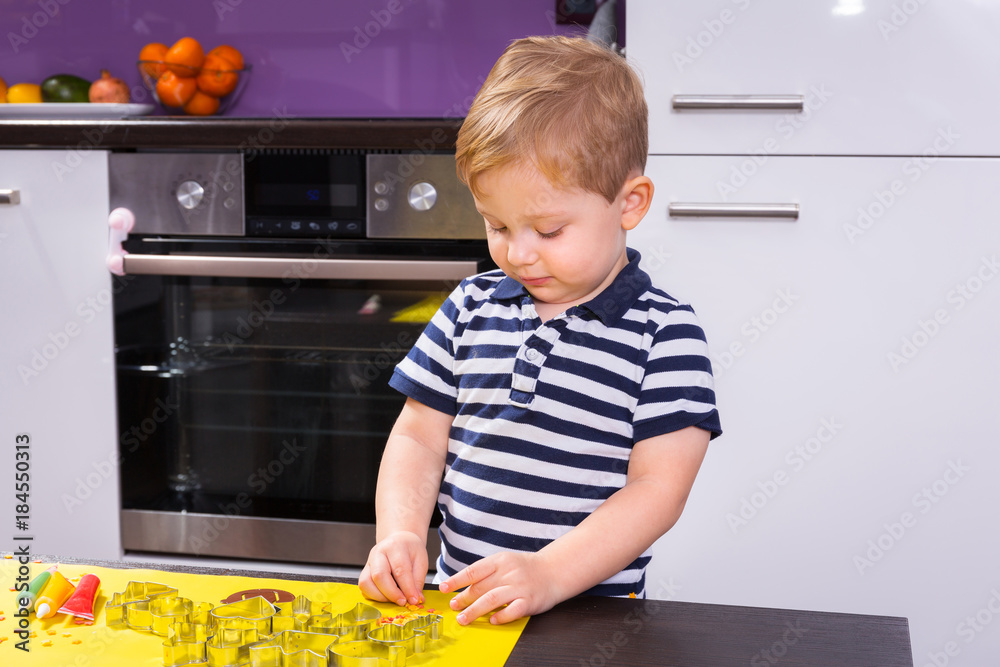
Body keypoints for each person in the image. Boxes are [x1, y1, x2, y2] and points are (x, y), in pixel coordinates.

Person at [359, 35, 721, 626]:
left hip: (592, 619)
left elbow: (658, 491)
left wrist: (549, 574)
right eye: (497, 224)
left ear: (629, 204)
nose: (518, 254)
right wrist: (399, 534)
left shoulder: (665, 334)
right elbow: (418, 439)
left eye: (548, 231)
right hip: (466, 607)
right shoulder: (469, 307)